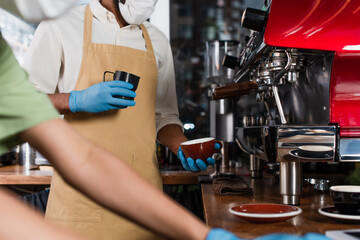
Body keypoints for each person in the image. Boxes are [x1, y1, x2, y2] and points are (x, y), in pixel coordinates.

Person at [23, 0, 218, 239]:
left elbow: (165, 116)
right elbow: (23, 102)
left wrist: (182, 147)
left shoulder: (156, 40)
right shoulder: (60, 25)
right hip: (79, 201)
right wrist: (75, 100)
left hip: (144, 204)